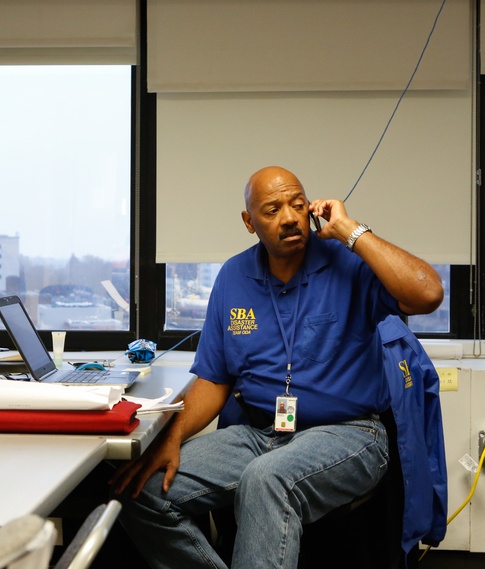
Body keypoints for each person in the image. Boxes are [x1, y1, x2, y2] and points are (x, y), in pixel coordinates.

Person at [110, 166, 443, 569]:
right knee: (140, 491)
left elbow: (427, 293)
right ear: (249, 222)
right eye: (272, 210)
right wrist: (170, 436)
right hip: (261, 433)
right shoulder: (234, 276)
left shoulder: (346, 264)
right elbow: (214, 380)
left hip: (351, 434)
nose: (288, 217)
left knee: (264, 480)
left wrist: (351, 232)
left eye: (298, 205)